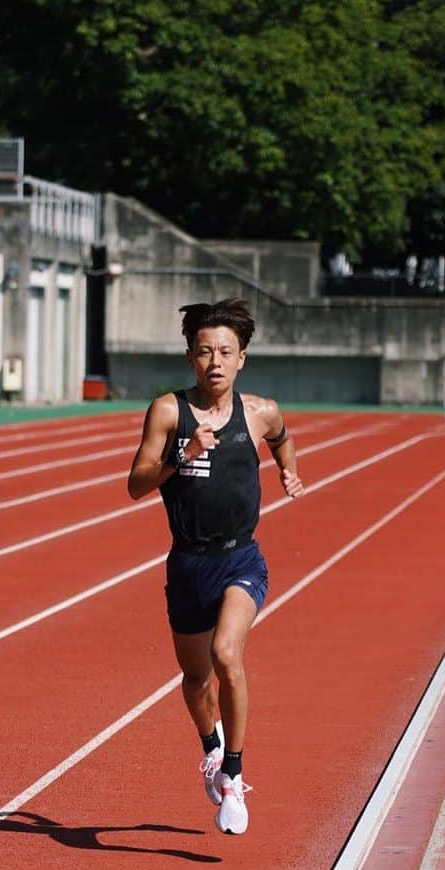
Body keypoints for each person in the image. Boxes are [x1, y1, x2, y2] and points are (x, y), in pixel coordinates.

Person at [127, 298, 304, 835]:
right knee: (195, 678)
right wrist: (181, 456)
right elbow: (135, 485)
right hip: (187, 565)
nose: (215, 362)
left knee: (228, 655)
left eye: (225, 352)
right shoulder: (167, 411)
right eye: (205, 352)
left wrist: (288, 473)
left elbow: (282, 439)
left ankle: (233, 775)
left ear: (242, 358)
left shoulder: (260, 411)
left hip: (240, 558)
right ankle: (211, 744)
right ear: (190, 358)